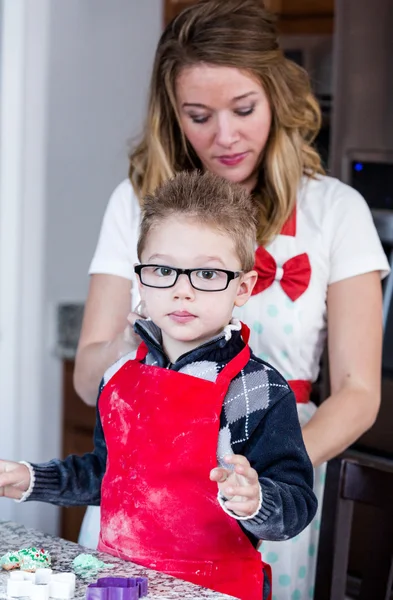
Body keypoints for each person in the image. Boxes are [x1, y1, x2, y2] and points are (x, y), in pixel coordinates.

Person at [73, 0, 389, 597]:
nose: (224, 136)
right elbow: (91, 379)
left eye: (244, 109)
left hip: (267, 493)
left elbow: (359, 391)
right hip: (144, 494)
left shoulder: (335, 212)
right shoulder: (135, 202)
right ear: (173, 114)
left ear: (277, 96)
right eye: (198, 115)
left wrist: (262, 480)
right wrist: (139, 327)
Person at [0, 171, 318, 600]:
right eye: (163, 270)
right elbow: (105, 473)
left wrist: (258, 500)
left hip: (213, 589)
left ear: (243, 287)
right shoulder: (118, 378)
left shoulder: (258, 391)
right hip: (117, 582)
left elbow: (297, 506)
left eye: (207, 274)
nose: (182, 291)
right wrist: (31, 479)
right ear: (140, 280)